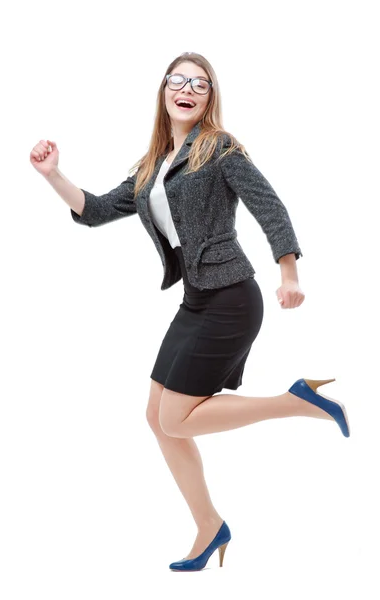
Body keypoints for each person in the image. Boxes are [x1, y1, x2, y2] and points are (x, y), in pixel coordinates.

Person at [30, 51, 350, 572]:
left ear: (209, 99)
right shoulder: (152, 165)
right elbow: (95, 211)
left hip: (230, 297)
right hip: (195, 300)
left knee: (176, 418)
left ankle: (297, 402)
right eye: (178, 80)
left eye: (200, 84)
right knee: (158, 420)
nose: (188, 88)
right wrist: (52, 174)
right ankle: (209, 526)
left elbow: (269, 206)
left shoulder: (218, 150)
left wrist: (289, 272)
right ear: (163, 91)